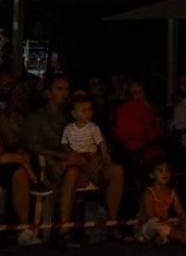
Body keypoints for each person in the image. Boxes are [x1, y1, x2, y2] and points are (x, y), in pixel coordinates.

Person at [24, 76, 125, 247]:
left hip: (85, 163)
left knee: (116, 171)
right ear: (48, 93)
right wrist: (62, 156)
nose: (65, 93)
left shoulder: (75, 114)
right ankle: (65, 229)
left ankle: (111, 223)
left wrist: (96, 156)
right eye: (59, 89)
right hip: (57, 166)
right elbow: (32, 144)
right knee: (72, 170)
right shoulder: (37, 118)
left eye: (67, 89)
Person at [136, 158, 186, 244]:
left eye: (167, 170)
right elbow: (151, 216)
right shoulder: (148, 192)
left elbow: (181, 212)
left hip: (165, 224)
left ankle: (163, 237)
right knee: (157, 225)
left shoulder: (172, 193)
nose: (165, 173)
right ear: (152, 175)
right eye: (160, 170)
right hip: (147, 225)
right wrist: (173, 228)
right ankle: (184, 237)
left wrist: (184, 222)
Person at [113, 81, 164, 168]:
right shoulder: (126, 109)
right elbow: (147, 134)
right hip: (139, 150)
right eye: (135, 93)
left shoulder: (147, 106)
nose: (138, 96)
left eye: (140, 92)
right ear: (129, 95)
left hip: (145, 147)